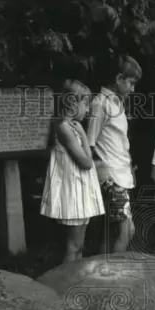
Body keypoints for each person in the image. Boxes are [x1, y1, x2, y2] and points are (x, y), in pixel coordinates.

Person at [40, 79, 105, 263]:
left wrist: (82, 134)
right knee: (73, 246)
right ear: (71, 103)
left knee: (79, 246)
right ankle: (66, 285)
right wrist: (85, 135)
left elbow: (86, 159)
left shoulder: (72, 127)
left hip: (80, 192)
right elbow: (86, 162)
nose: (87, 109)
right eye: (85, 103)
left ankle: (76, 280)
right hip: (73, 194)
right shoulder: (63, 128)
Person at [86, 54, 143, 254]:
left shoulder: (116, 103)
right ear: (119, 79)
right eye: (131, 83)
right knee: (125, 231)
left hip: (122, 175)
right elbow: (90, 144)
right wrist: (103, 177)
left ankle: (104, 273)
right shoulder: (100, 104)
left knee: (115, 231)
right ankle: (114, 277)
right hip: (110, 177)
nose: (133, 89)